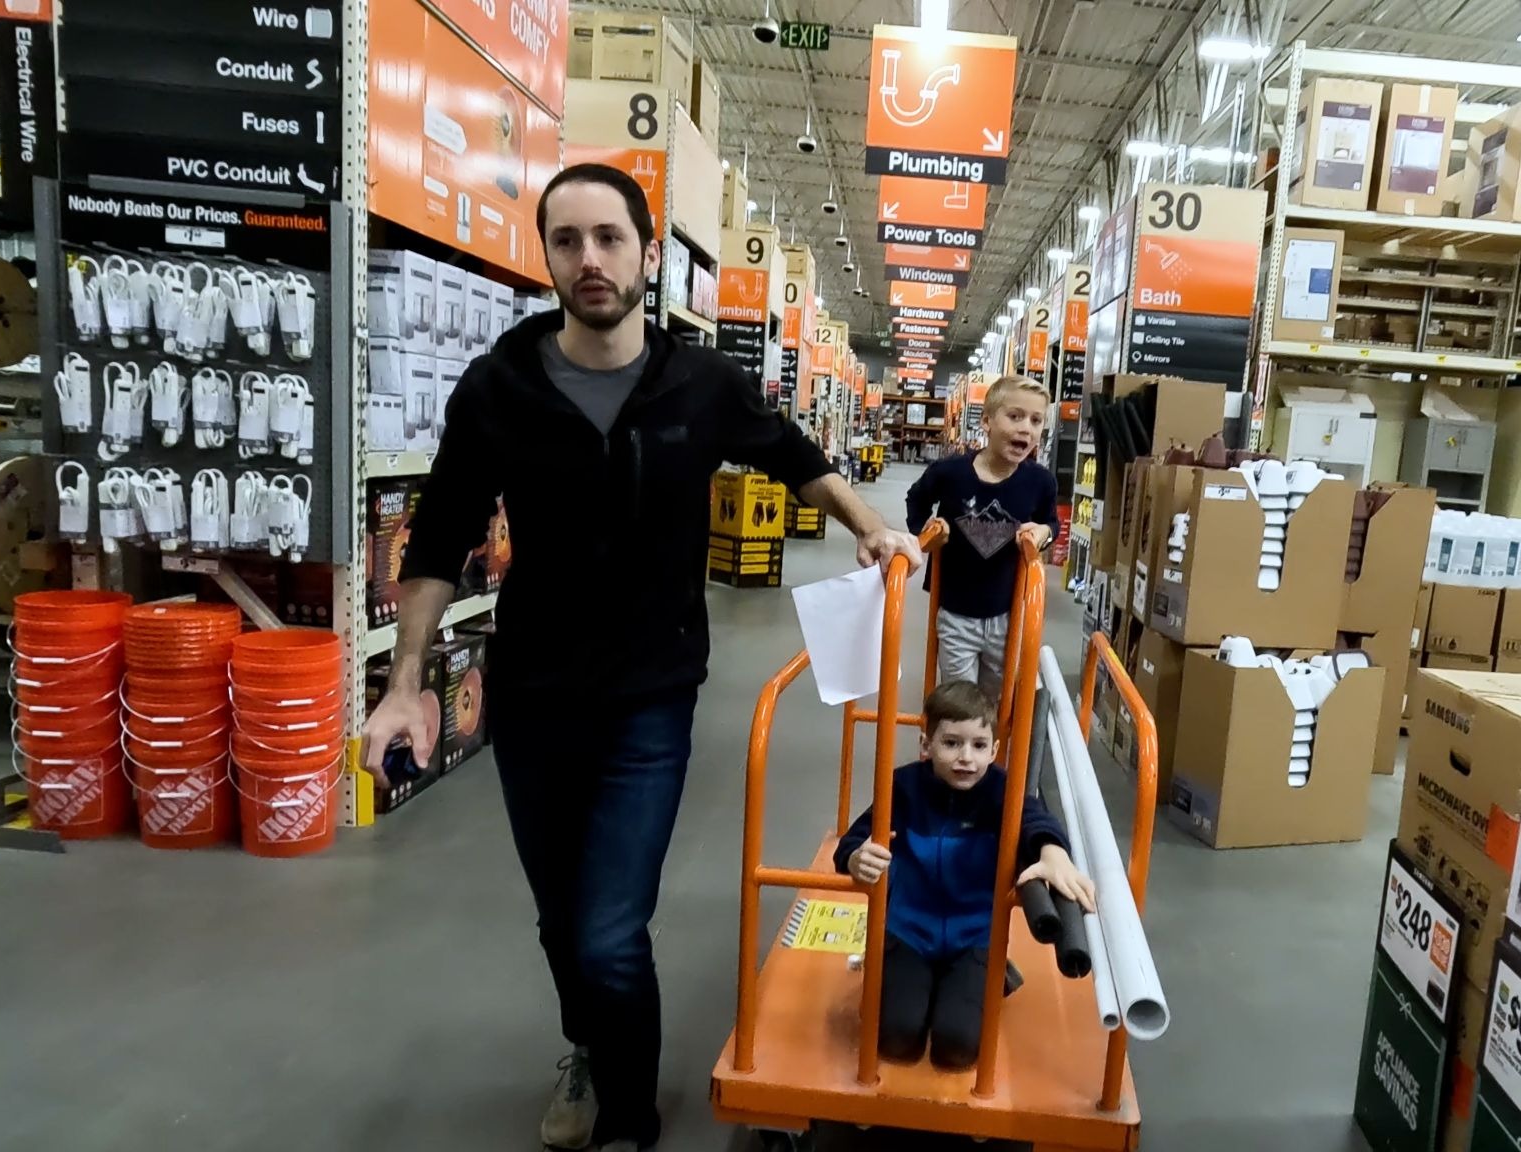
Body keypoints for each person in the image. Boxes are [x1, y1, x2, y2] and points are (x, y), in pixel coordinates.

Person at [359, 162, 921, 1152]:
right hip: (531, 698)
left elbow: (790, 452)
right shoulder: (500, 386)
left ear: (645, 255)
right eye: (567, 240)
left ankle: (628, 1116)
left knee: (610, 931)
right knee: (560, 919)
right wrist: (406, 684)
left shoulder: (697, 382)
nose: (589, 259)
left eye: (609, 238)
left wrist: (869, 526)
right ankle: (586, 1047)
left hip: (649, 700)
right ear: (547, 257)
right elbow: (441, 534)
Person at [835, 680, 1096, 1069]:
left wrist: (1053, 852)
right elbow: (855, 839)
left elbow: (1034, 818)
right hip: (909, 932)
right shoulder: (905, 787)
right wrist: (856, 857)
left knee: (957, 1049)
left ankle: (992, 976)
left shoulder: (1000, 791)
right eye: (951, 743)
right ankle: (910, 979)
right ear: (926, 745)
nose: (965, 758)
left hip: (973, 937)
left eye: (977, 746)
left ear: (994, 750)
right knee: (894, 1040)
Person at [904, 376, 1058, 701]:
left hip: (1008, 614)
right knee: (959, 700)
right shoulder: (950, 473)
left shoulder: (1040, 482)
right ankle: (959, 748)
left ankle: (987, 750)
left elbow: (1050, 522)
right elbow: (916, 499)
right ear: (986, 421)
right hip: (955, 613)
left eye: (1036, 420)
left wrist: (1044, 533)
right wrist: (924, 532)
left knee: (997, 702)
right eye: (1014, 416)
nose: (1025, 429)